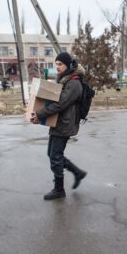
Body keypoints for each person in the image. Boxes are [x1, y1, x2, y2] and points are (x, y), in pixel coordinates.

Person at [31, 52, 87, 200]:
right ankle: (77, 172)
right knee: (52, 154)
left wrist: (40, 114)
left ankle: (59, 189)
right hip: (59, 122)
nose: (57, 67)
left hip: (65, 124)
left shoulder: (74, 82)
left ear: (68, 65)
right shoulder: (65, 80)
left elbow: (61, 103)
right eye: (56, 64)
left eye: (60, 64)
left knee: (55, 155)